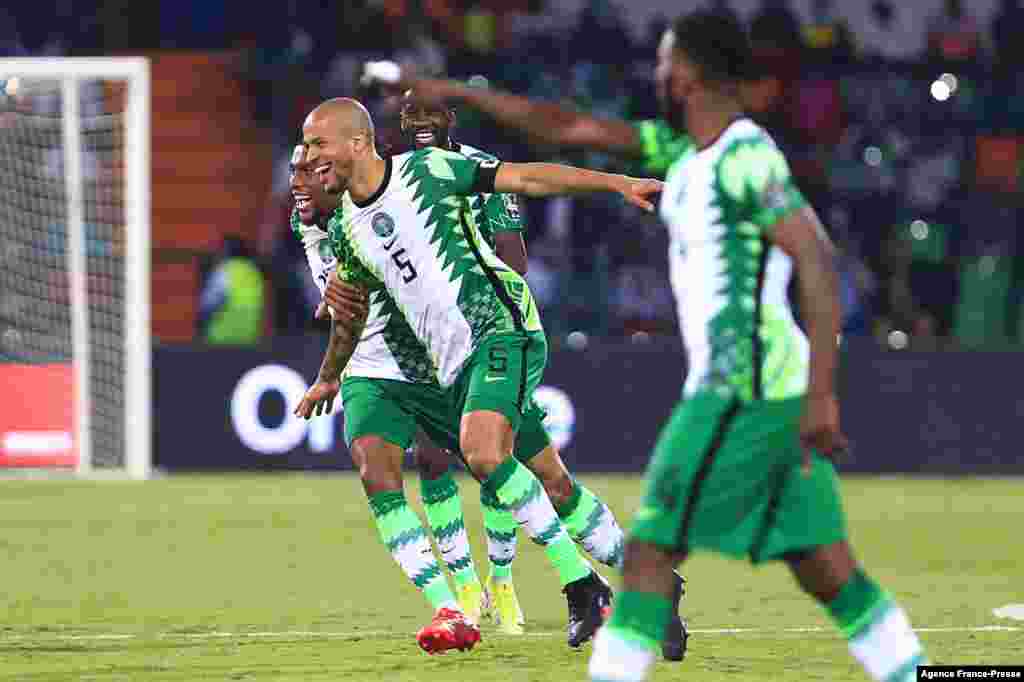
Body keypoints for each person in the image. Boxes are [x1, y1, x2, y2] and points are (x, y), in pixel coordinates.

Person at [587, 12, 928, 682]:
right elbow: (578, 130)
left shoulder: (746, 154)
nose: (656, 73)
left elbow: (819, 261)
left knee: (650, 553)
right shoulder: (686, 155)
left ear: (686, 72)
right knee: (827, 571)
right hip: (764, 388)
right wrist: (461, 95)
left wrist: (822, 395)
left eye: (664, 62)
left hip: (741, 388)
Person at [323, 94, 687, 657]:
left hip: (502, 328)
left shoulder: (429, 169)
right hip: (451, 366)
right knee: (554, 481)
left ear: (356, 142)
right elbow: (352, 314)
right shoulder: (345, 226)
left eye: (319, 143)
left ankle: (584, 587)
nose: (310, 154)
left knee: (484, 452)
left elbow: (528, 178)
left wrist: (615, 182)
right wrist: (329, 376)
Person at [196, 235, 265, 346]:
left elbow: (208, 304)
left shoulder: (224, 271)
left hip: (221, 338)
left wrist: (200, 324)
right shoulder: (255, 273)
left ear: (225, 252)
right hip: (248, 338)